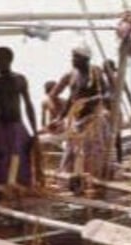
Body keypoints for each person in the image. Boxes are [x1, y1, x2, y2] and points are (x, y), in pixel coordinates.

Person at [0, 46, 37, 199]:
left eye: (1, 59)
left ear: (9, 60)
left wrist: (35, 132)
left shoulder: (19, 79)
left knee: (19, 160)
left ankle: (20, 191)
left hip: (16, 127)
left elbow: (28, 105)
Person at [50, 44, 112, 179]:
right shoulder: (73, 75)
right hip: (77, 123)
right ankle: (74, 181)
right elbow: (71, 100)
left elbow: (108, 94)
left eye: (75, 57)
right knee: (73, 155)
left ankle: (93, 182)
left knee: (92, 157)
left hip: (92, 121)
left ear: (85, 59)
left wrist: (90, 100)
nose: (72, 60)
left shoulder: (95, 72)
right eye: (73, 56)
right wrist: (60, 118)